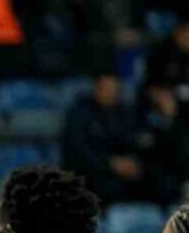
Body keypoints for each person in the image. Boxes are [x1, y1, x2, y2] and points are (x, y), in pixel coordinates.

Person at [61, 72, 145, 204]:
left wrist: (131, 162)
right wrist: (111, 164)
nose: (110, 94)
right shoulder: (79, 113)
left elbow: (132, 141)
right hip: (86, 180)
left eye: (114, 90)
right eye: (106, 89)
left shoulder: (124, 113)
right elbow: (76, 152)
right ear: (96, 88)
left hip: (120, 182)